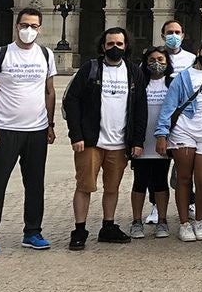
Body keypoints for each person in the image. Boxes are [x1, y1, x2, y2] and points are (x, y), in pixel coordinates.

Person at [0, 7, 57, 257]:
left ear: (40, 28)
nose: (29, 30)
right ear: (16, 26)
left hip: (37, 130)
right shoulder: (1, 55)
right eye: (24, 25)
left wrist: (50, 124)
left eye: (33, 26)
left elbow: (50, 91)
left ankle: (32, 231)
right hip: (5, 129)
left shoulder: (45, 54)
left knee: (35, 184)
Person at [62, 27, 146, 250]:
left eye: (119, 44)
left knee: (112, 188)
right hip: (91, 141)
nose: (115, 48)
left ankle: (108, 226)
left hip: (119, 143)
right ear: (103, 46)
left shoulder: (133, 71)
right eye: (111, 44)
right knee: (84, 186)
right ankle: (79, 230)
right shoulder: (91, 68)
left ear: (126, 46)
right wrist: (76, 135)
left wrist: (137, 141)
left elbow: (140, 109)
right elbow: (71, 101)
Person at [156, 38, 202, 243]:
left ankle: (200, 220)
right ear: (198, 51)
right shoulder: (183, 77)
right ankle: (184, 223)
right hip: (183, 131)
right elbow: (168, 107)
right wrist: (162, 134)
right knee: (184, 178)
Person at [129, 46, 173, 239]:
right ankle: (136, 221)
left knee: (160, 181)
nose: (157, 63)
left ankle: (162, 220)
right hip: (141, 141)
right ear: (145, 63)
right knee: (139, 181)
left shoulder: (173, 83)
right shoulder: (139, 83)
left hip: (163, 141)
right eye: (153, 59)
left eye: (161, 59)